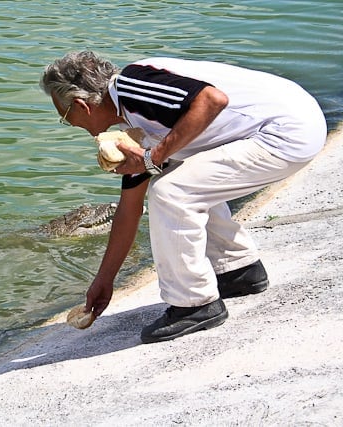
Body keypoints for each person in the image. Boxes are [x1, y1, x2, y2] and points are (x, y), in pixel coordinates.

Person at [40, 51, 326, 343]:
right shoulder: (134, 125)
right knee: (181, 179)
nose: (72, 125)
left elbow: (212, 100)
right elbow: (130, 209)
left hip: (286, 131)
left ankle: (193, 304)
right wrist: (104, 280)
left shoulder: (130, 86)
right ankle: (237, 269)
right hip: (288, 125)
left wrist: (153, 158)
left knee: (170, 191)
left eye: (65, 118)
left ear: (81, 106)